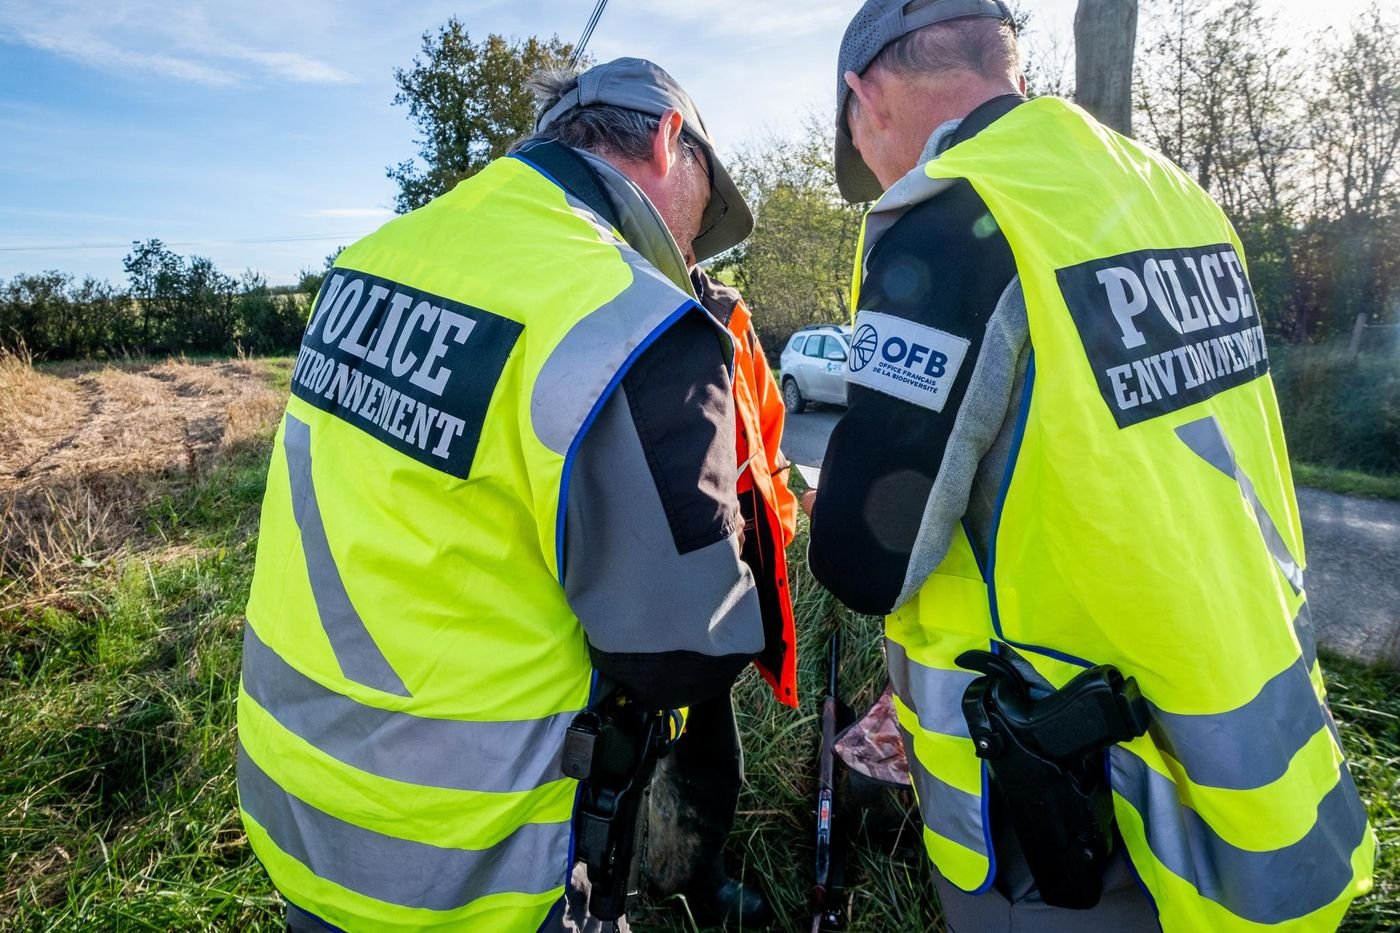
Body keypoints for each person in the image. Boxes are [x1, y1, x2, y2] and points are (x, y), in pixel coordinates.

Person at [806, 2, 1376, 932]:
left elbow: (868, 560)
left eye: (862, 147)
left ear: (863, 96)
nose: (881, 172)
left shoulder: (958, 211)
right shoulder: (1168, 192)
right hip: (1236, 732)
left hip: (1066, 788)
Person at [237, 57, 770, 932]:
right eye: (701, 215)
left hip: (292, 805)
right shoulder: (628, 316)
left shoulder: (369, 261)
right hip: (463, 867)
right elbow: (684, 656)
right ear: (672, 140)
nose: (689, 254)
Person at [641, 268, 799, 928]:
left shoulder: (723, 313)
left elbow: (764, 445)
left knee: (708, 758)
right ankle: (602, 883)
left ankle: (686, 883)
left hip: (706, 584)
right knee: (602, 753)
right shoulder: (587, 290)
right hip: (607, 579)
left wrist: (779, 529)